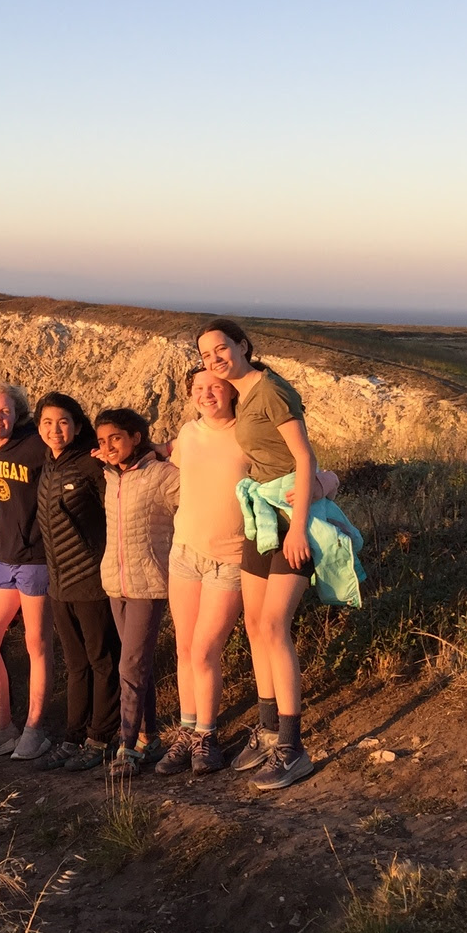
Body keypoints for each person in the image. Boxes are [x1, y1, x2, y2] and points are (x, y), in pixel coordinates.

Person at [199, 318, 322, 789]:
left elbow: (305, 456)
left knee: (273, 625)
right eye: (207, 356)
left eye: (221, 349)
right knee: (254, 626)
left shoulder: (269, 390)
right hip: (262, 515)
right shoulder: (245, 394)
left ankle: (293, 747)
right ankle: (269, 731)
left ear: (243, 345)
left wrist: (302, 526)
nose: (215, 360)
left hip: (290, 519)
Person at [154, 368, 248, 775]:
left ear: (230, 390)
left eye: (214, 387)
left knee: (205, 650)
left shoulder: (249, 432)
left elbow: (289, 469)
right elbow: (166, 451)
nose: (207, 394)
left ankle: (207, 735)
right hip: (185, 553)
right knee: (184, 648)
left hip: (231, 557)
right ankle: (187, 732)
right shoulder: (189, 434)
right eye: (198, 389)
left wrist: (324, 481)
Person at [0, 384, 55, 762]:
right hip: (5, 557)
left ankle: (35, 729)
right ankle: (3, 728)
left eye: (5, 412)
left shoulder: (36, 445)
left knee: (37, 644)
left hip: (36, 558)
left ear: (17, 414)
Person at [34, 393, 122, 772]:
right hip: (59, 584)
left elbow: (115, 511)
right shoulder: (49, 464)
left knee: (102, 660)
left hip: (91, 579)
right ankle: (74, 735)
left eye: (64, 422)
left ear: (78, 425)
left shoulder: (91, 464)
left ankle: (101, 737)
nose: (55, 430)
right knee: (75, 663)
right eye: (48, 423)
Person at [94, 407, 180, 778]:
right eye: (102, 440)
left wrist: (167, 451)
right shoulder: (110, 477)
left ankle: (127, 748)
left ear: (136, 437)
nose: (109, 446)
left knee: (130, 665)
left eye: (116, 437)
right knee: (135, 664)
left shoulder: (162, 476)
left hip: (149, 583)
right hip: (115, 583)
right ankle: (149, 736)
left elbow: (196, 501)